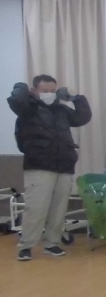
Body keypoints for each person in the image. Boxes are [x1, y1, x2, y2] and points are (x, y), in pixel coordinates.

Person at [7, 76, 92, 261]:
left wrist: (75, 97)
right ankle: (26, 246)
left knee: (58, 208)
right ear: (34, 90)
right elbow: (16, 101)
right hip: (39, 164)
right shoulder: (27, 109)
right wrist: (21, 88)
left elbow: (82, 117)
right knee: (35, 208)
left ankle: (52, 243)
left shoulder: (60, 109)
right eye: (44, 90)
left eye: (52, 90)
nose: (49, 94)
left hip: (64, 163)